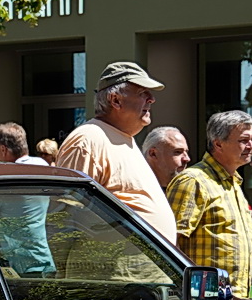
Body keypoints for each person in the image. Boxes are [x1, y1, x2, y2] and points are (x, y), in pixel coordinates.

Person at [54, 61, 178, 244]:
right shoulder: (88, 139)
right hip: (111, 270)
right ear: (116, 100)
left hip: (137, 269)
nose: (151, 99)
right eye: (142, 93)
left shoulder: (123, 139)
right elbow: (66, 216)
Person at [168, 110, 252, 296]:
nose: (251, 146)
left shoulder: (234, 184)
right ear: (218, 143)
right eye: (243, 140)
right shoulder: (194, 181)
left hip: (234, 299)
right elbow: (169, 242)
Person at [0, 123, 54, 276]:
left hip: (20, 265)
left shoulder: (7, 178)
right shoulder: (42, 167)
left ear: (3, 150)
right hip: (44, 259)